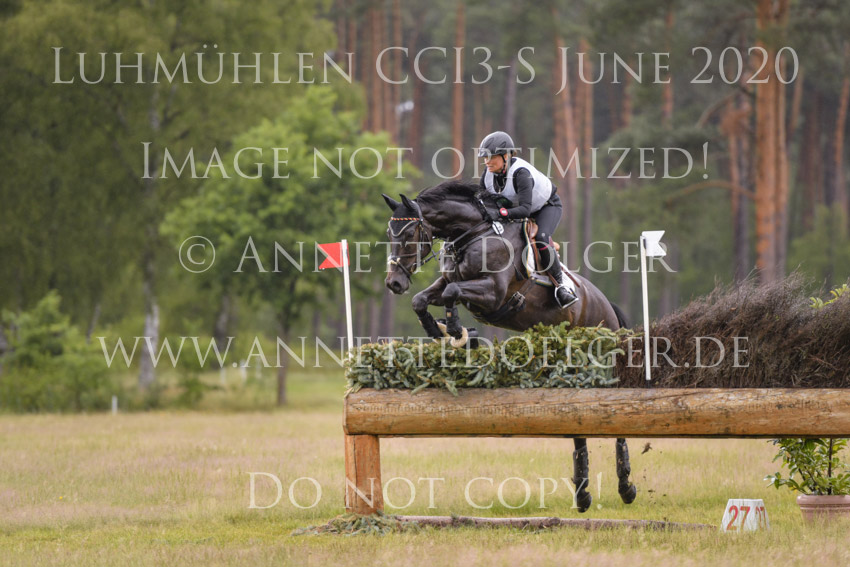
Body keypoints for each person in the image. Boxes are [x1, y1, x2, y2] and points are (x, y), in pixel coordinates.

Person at [477, 131, 579, 309]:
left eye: (491, 156)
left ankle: (561, 286)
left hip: (546, 207)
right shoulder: (488, 174)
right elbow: (481, 201)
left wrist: (500, 213)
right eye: (485, 157)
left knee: (541, 238)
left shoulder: (521, 173)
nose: (487, 161)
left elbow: (525, 209)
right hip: (515, 211)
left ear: (506, 156)